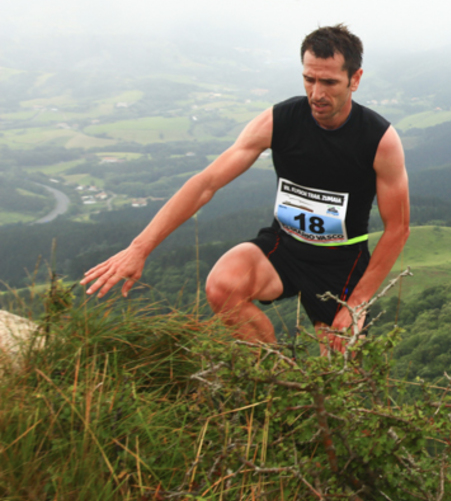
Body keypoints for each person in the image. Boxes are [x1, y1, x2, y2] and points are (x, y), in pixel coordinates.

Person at [81, 25, 410, 350]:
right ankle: (273, 372)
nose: (316, 94)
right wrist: (139, 248)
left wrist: (359, 301)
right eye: (309, 79)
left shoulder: (379, 140)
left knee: (341, 367)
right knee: (222, 286)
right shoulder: (279, 121)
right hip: (284, 245)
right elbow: (206, 184)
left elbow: (398, 228)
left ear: (355, 79)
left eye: (329, 82)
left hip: (341, 262)